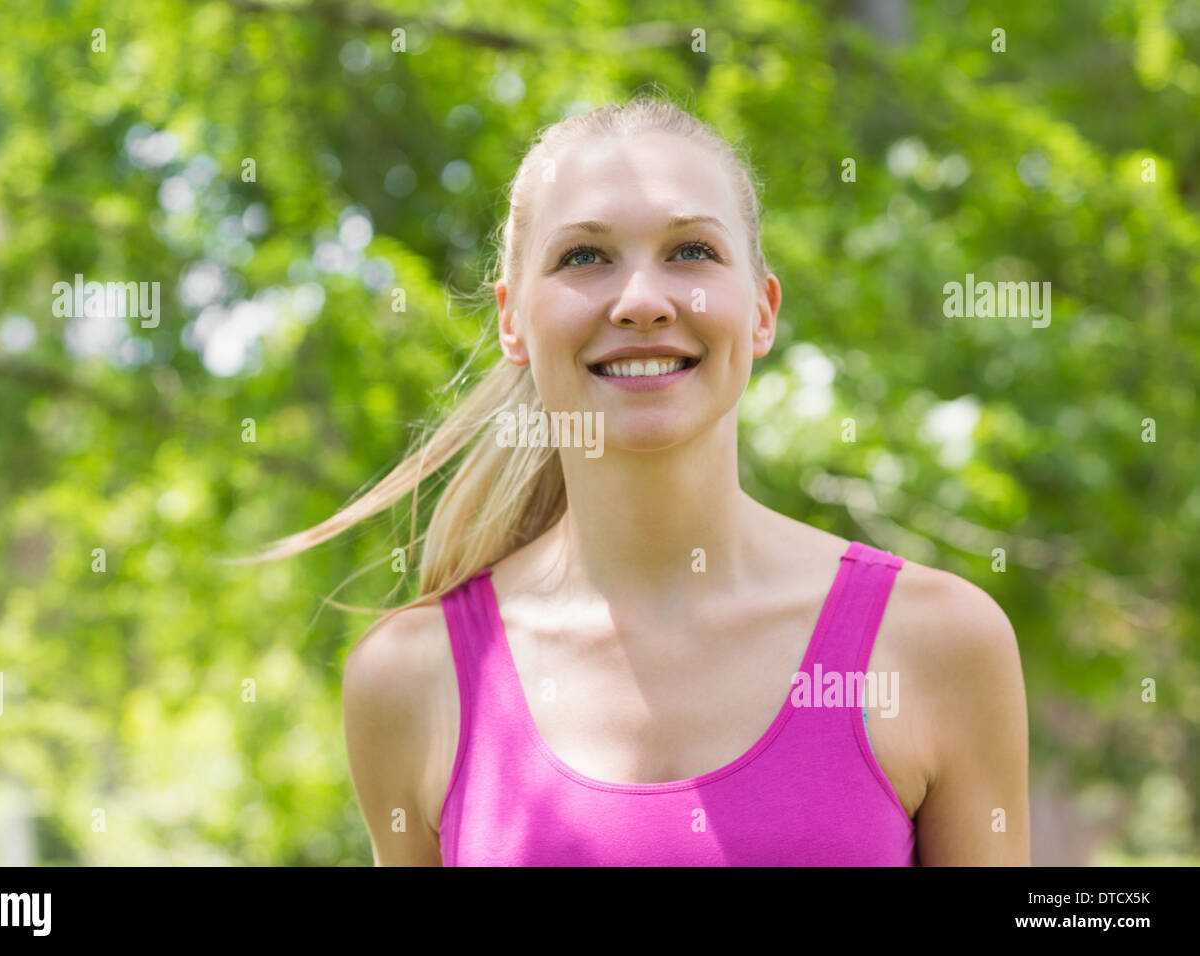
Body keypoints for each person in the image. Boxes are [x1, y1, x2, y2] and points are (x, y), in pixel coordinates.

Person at [260, 94, 1030, 865]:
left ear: (762, 311)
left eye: (691, 251)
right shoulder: (409, 680)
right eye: (584, 258)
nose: (641, 303)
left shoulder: (940, 643)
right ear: (512, 321)